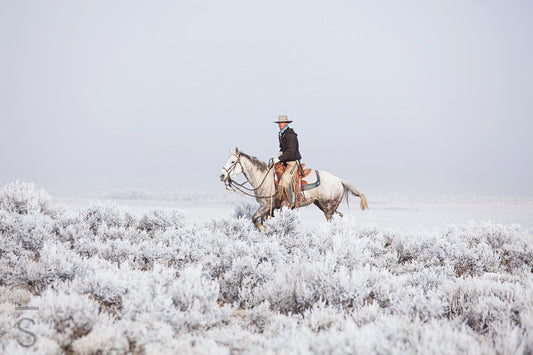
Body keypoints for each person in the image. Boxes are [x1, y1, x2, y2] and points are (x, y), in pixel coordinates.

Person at [273, 115, 302, 208]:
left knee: (284, 181)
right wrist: (280, 152)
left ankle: (290, 201)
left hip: (292, 161)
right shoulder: (281, 134)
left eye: (282, 123)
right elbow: (283, 147)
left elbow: (291, 151)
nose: (280, 125)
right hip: (285, 161)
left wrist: (279, 159)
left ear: (286, 123)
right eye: (279, 123)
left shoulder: (290, 135)